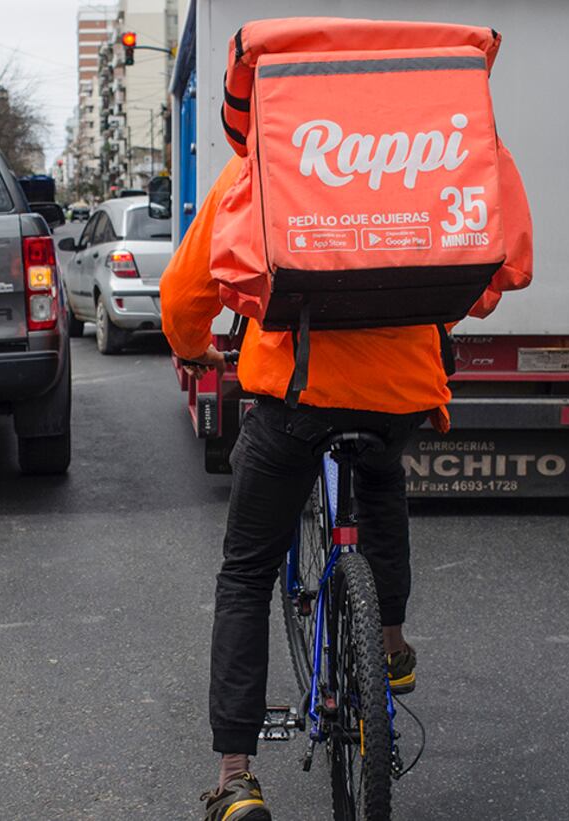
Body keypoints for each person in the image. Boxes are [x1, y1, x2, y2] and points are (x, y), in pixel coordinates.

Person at [162, 154, 464, 821]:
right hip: (401, 389)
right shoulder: (423, 151)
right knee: (381, 478)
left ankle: (235, 779)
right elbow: (488, 268)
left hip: (296, 392)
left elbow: (187, 290)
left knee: (246, 570)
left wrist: (190, 345)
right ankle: (389, 646)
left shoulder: (261, 161)